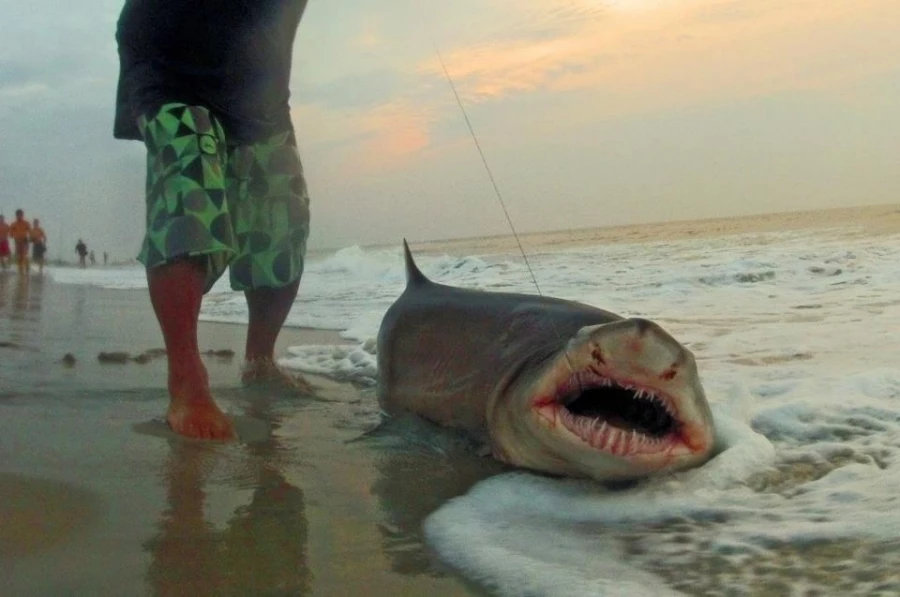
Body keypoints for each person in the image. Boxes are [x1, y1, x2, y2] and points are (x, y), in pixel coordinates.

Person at [114, 0, 313, 440]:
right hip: (169, 62)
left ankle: (260, 362)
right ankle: (186, 379)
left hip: (257, 82)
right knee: (191, 192)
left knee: (281, 217)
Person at [9, 209, 31, 275]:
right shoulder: (13, 224)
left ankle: (25, 267)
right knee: (18, 256)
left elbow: (30, 232)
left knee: (24, 254)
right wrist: (13, 235)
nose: (19, 216)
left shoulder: (26, 223)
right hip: (17, 241)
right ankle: (20, 269)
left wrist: (31, 238)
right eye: (18, 215)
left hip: (25, 240)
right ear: (16, 215)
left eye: (21, 215)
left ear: (23, 215)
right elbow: (10, 233)